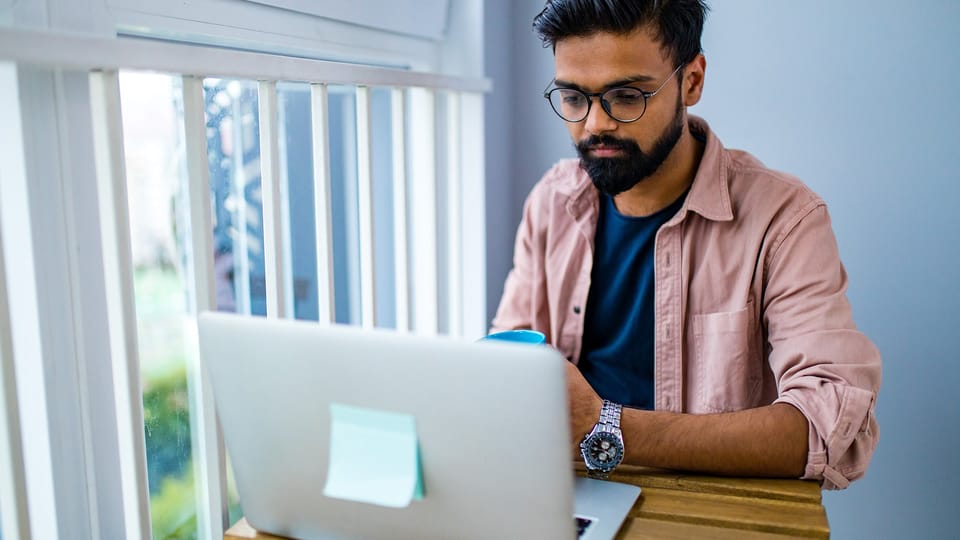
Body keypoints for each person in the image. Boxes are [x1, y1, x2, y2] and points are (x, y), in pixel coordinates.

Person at [491, 0, 881, 489]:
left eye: (627, 96)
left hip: (709, 504)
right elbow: (506, 370)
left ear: (691, 80)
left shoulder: (784, 219)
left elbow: (830, 429)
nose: (594, 125)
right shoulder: (552, 202)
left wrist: (607, 425)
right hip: (566, 493)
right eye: (573, 98)